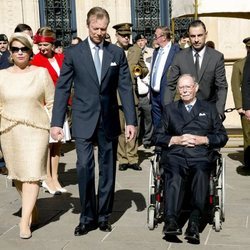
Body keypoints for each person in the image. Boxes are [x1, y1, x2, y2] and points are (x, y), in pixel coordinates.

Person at [50, 7, 137, 235]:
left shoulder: (116, 54)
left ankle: (104, 216)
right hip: (83, 118)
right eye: (95, 28)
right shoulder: (73, 53)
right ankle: (87, 216)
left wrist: (131, 121)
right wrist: (57, 122)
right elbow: (62, 88)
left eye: (103, 29)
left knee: (107, 169)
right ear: (87, 26)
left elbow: (126, 87)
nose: (99, 33)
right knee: (84, 167)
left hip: (108, 119)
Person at [153, 74, 228, 244]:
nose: (185, 90)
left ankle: (194, 222)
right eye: (181, 87)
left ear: (196, 87)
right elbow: (157, 136)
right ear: (178, 90)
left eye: (188, 87)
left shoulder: (209, 109)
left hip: (200, 155)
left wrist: (205, 140)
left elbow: (222, 136)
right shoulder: (170, 109)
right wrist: (175, 139)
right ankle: (171, 220)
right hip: (176, 155)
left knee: (202, 173)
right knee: (173, 175)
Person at [0, 32, 54, 239]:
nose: (20, 52)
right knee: (19, 177)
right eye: (15, 49)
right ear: (10, 53)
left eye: (23, 49)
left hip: (36, 130)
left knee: (32, 175)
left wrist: (51, 126)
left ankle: (24, 222)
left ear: (30, 52)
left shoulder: (40, 73)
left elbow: (52, 101)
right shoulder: (2, 75)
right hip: (10, 131)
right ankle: (33, 209)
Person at [164, 20, 228, 120]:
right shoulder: (179, 57)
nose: (196, 40)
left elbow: (221, 87)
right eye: (193, 36)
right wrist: (168, 111)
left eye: (200, 35)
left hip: (209, 113)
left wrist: (219, 112)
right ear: (189, 36)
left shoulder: (216, 57)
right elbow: (170, 85)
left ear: (206, 35)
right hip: (184, 113)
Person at [31, 26, 69, 194]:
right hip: (45, 107)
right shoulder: (36, 61)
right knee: (47, 144)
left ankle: (55, 178)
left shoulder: (62, 58)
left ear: (53, 44)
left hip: (61, 106)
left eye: (45, 45)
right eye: (40, 45)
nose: (42, 48)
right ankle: (46, 179)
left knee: (57, 144)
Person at [113, 23, 148, 171]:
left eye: (128, 35)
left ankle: (133, 158)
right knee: (120, 128)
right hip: (115, 95)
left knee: (133, 126)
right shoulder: (111, 50)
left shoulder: (135, 50)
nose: (126, 38)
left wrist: (139, 71)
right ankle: (122, 159)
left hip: (132, 94)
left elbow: (144, 69)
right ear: (117, 36)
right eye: (123, 35)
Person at [150, 26, 180, 127]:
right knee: (157, 123)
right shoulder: (156, 51)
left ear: (163, 37)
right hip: (154, 94)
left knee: (168, 123)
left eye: (156, 36)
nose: (154, 38)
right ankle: (159, 141)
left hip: (167, 94)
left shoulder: (176, 51)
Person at [231, 37, 250, 169]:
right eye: (248, 47)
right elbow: (235, 86)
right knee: (248, 136)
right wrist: (240, 106)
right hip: (247, 106)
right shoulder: (239, 64)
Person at [134, 33, 154, 149]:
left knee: (148, 118)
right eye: (139, 41)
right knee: (136, 119)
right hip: (136, 91)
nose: (141, 43)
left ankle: (147, 140)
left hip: (146, 91)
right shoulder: (133, 52)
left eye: (143, 40)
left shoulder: (151, 52)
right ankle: (135, 141)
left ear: (146, 41)